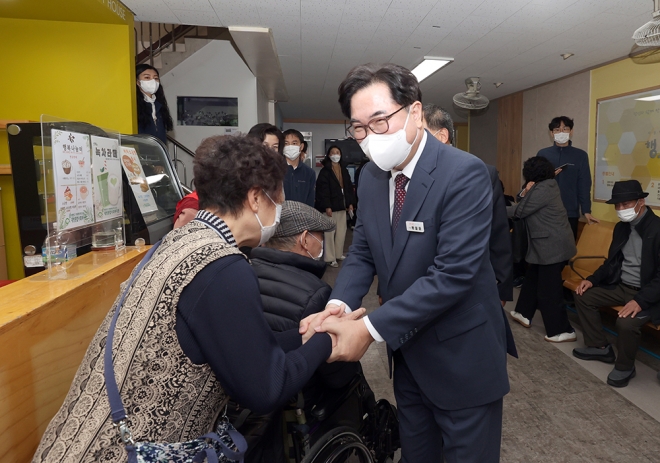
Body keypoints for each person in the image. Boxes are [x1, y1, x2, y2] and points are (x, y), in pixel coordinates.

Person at [32, 135, 364, 463]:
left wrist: (309, 330)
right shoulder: (223, 267)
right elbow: (266, 388)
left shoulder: (180, 241)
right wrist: (328, 339)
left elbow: (243, 348)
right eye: (278, 196)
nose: (279, 209)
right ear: (255, 198)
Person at [301, 63, 509, 463]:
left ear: (414, 113)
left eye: (379, 121)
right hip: (407, 354)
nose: (368, 137)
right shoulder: (371, 177)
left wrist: (367, 328)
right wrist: (338, 306)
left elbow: (452, 276)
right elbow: (363, 249)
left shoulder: (464, 173)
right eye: (358, 127)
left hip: (460, 357)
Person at [233, 201, 360, 463]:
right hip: (299, 410)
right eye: (320, 238)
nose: (323, 245)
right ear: (304, 239)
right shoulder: (316, 294)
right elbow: (336, 376)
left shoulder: (241, 274)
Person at [423, 103, 514, 306]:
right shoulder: (408, 175)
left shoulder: (482, 173)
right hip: (421, 285)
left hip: (473, 284)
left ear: (441, 136)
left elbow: (498, 232)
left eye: (419, 133)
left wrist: (501, 285)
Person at [572, 180, 660, 387]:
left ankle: (625, 367)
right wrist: (591, 280)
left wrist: (640, 301)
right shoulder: (622, 228)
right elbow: (611, 262)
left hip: (650, 295)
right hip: (622, 287)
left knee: (626, 322)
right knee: (583, 294)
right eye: (617, 206)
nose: (621, 209)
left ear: (641, 202)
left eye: (626, 204)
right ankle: (600, 347)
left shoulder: (657, 230)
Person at [507, 156, 577, 342]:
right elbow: (522, 198)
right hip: (546, 244)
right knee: (533, 279)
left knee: (549, 291)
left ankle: (562, 331)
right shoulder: (542, 185)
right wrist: (525, 190)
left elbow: (520, 211)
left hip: (553, 247)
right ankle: (523, 312)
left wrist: (492, 208)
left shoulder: (545, 187)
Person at [536, 116, 599, 239]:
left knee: (568, 249)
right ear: (551, 133)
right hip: (545, 211)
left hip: (569, 212)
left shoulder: (580, 155)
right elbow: (534, 182)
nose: (561, 132)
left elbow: (584, 184)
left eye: (565, 129)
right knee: (545, 249)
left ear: (571, 131)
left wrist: (586, 210)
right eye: (557, 129)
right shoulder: (542, 154)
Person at [315, 145, 355, 268]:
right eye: (332, 153)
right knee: (329, 233)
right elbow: (323, 190)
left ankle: (338, 254)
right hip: (330, 208)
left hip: (342, 206)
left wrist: (350, 203)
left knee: (341, 232)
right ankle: (330, 258)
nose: (335, 155)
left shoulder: (344, 170)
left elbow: (348, 188)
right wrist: (327, 206)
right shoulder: (325, 171)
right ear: (329, 155)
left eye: (337, 152)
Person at [135, 63, 173, 144]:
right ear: (137, 82)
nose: (152, 81)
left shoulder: (159, 105)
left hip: (158, 152)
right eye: (147, 77)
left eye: (156, 78)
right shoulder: (134, 105)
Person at [282, 129, 316, 207]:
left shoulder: (309, 173)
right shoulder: (275, 170)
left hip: (302, 217)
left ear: (301, 146)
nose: (290, 146)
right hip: (281, 217)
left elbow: (310, 200)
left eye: (294, 143)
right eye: (286, 143)